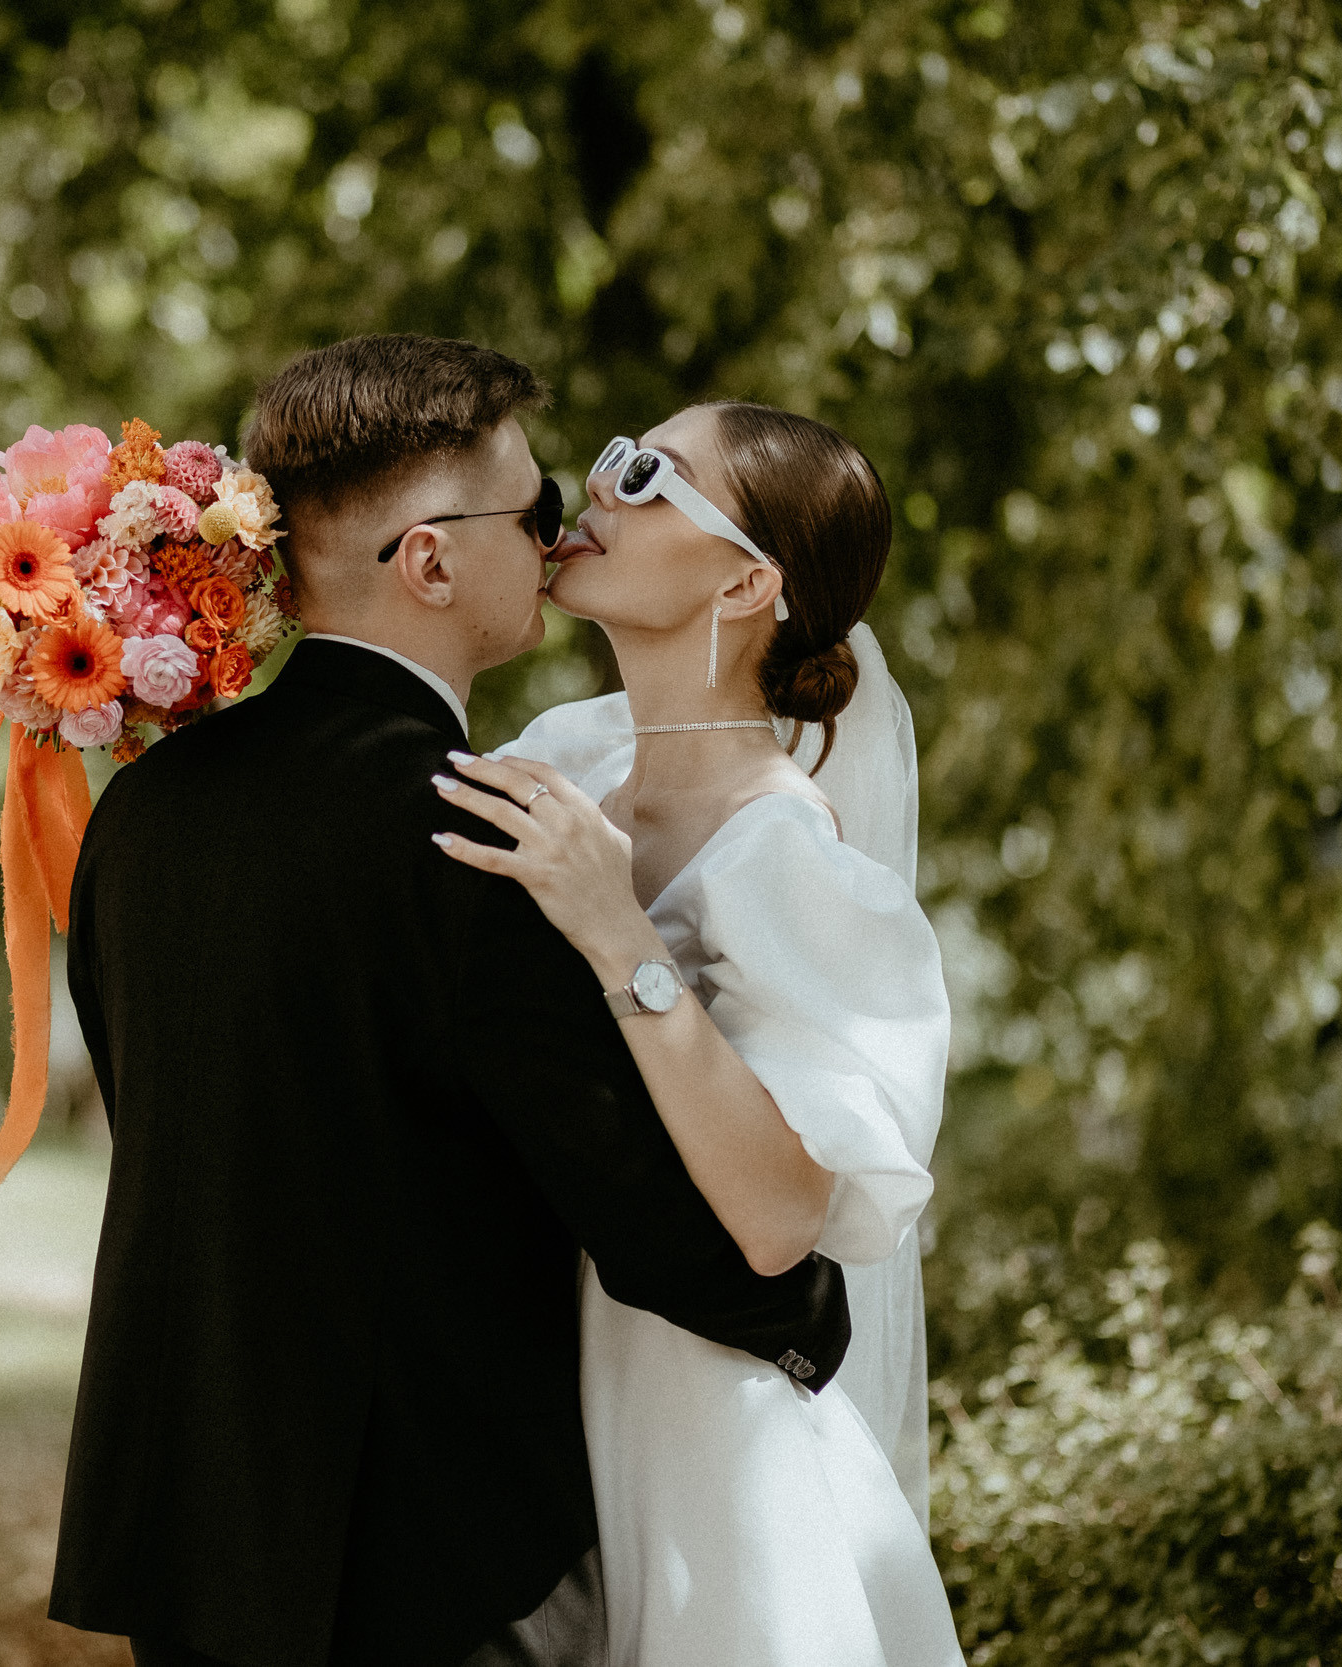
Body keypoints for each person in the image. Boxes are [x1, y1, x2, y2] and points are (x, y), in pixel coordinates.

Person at [48, 337, 854, 1667]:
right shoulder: (479, 835)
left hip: (191, 1535)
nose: (554, 537)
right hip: (423, 1557)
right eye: (532, 512)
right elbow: (642, 1209)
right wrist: (816, 1315)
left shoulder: (142, 812)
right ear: (429, 559)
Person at [437, 402, 963, 1665]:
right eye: (613, 455)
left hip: (702, 1433)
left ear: (745, 578)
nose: (594, 492)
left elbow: (782, 1214)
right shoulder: (560, 751)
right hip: (524, 1390)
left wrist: (621, 936)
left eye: (647, 477)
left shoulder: (793, 858)